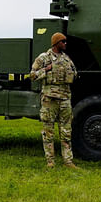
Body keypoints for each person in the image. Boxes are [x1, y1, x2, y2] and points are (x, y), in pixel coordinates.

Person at [30, 32, 79, 169]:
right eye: (63, 41)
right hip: (49, 100)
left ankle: (68, 161)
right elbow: (32, 75)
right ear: (56, 43)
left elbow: (75, 74)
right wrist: (46, 70)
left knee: (66, 131)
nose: (65, 43)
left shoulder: (66, 59)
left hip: (64, 99)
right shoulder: (44, 58)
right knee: (48, 132)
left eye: (65, 41)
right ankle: (50, 161)